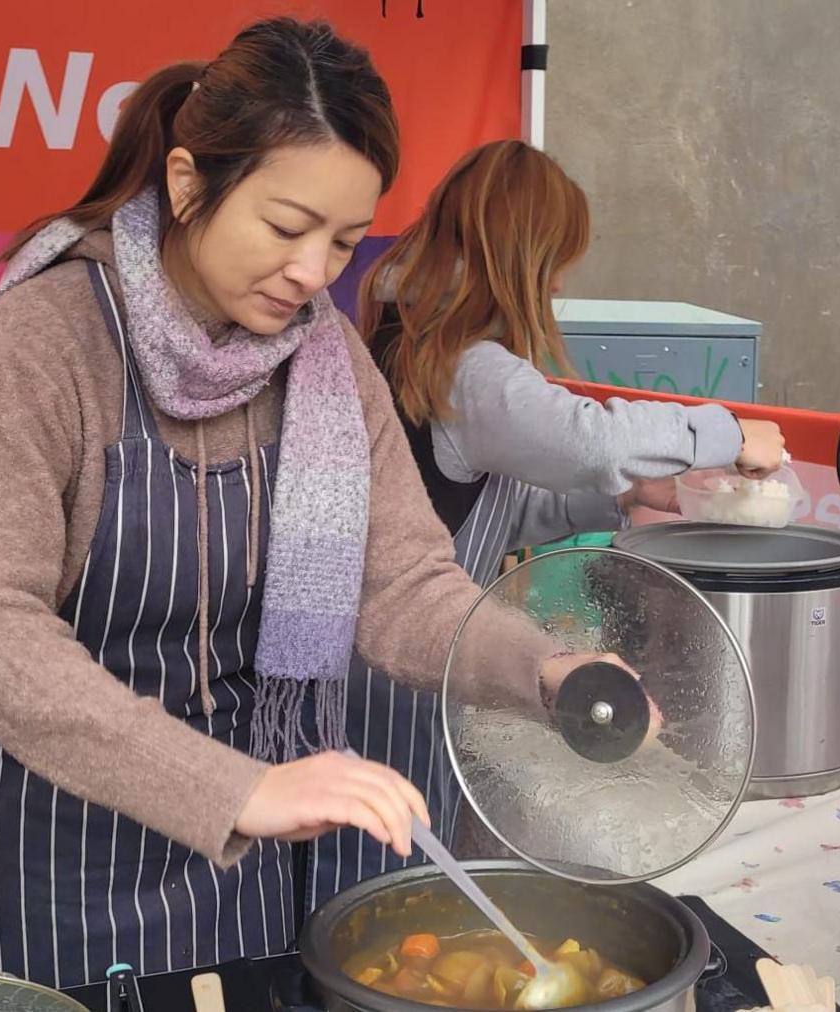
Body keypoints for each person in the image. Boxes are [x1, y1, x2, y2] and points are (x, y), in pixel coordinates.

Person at [0, 20, 564, 987]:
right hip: (66, 851)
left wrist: (545, 670)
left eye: (345, 242)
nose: (315, 273)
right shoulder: (46, 341)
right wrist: (237, 788)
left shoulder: (327, 360)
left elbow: (403, 582)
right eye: (286, 227)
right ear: (189, 184)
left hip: (250, 862)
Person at [305, 139, 785, 908]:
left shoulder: (409, 340)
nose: (562, 281)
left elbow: (477, 505)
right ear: (526, 255)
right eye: (559, 259)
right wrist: (729, 431)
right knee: (384, 866)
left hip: (373, 653)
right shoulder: (471, 365)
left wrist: (621, 504)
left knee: (379, 846)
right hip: (398, 664)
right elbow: (588, 442)